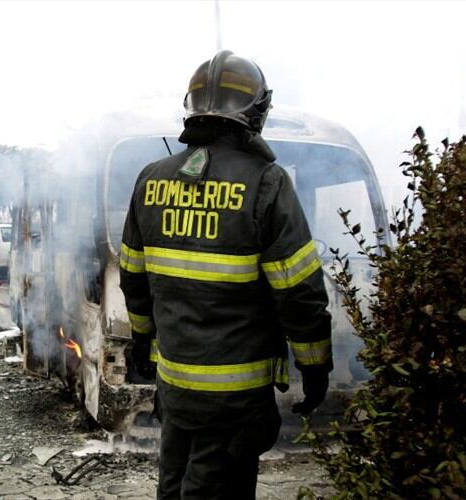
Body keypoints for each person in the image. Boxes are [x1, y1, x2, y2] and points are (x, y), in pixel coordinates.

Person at [119, 50, 333, 499]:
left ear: (193, 107)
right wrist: (314, 367)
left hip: (175, 386)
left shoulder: (150, 180)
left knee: (174, 485)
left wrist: (142, 342)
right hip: (237, 399)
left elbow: (134, 278)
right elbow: (299, 291)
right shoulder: (267, 184)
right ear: (257, 111)